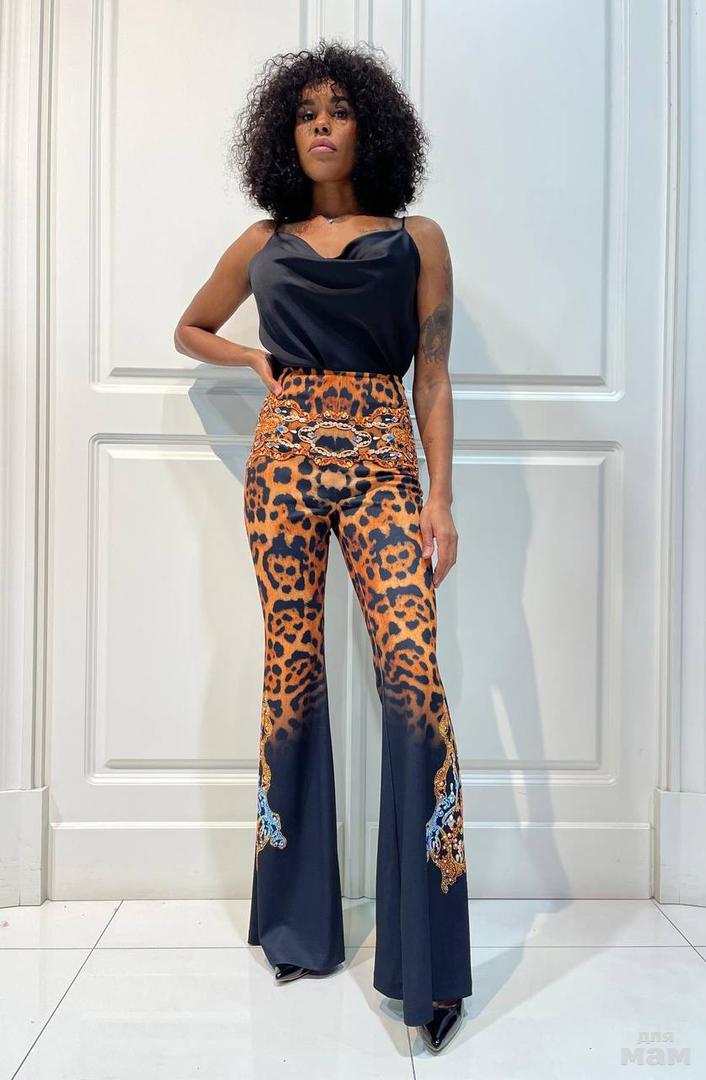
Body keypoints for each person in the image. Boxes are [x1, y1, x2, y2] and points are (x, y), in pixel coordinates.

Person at [174, 39, 472, 1054]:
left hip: (386, 464)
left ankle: (426, 962)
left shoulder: (415, 238)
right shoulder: (263, 241)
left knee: (412, 673)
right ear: (282, 134)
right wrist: (251, 357)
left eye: (338, 110)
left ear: (368, 128)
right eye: (304, 113)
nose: (320, 126)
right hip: (285, 466)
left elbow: (432, 374)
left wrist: (439, 500)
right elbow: (190, 327)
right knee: (291, 673)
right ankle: (299, 927)